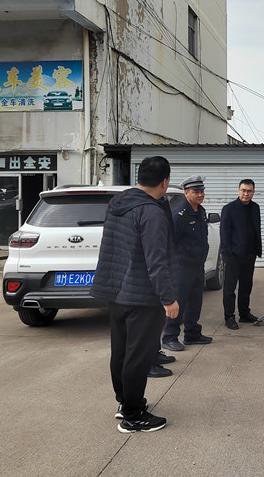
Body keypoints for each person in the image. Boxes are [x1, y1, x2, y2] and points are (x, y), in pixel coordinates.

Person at [89, 156, 179, 434]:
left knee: (121, 352)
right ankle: (133, 416)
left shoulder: (119, 203)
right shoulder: (151, 212)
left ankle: (126, 402)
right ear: (164, 182)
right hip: (141, 296)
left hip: (116, 291)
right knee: (139, 357)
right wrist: (168, 298)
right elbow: (157, 261)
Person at [162, 175, 214, 351]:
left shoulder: (200, 211)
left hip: (197, 265)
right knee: (179, 303)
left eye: (202, 191)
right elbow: (170, 243)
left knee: (195, 302)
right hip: (182, 267)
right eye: (195, 192)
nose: (200, 195)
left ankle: (192, 334)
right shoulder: (179, 215)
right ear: (186, 193)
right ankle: (169, 336)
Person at [220, 179, 262, 330]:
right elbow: (224, 233)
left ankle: (244, 313)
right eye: (243, 190)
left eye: (249, 191)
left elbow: (256, 229)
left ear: (253, 192)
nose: (246, 194)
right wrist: (228, 252)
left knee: (246, 286)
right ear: (238, 190)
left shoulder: (255, 208)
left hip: (250, 254)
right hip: (233, 255)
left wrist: (257, 249)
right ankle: (229, 317)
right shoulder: (229, 209)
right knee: (230, 288)